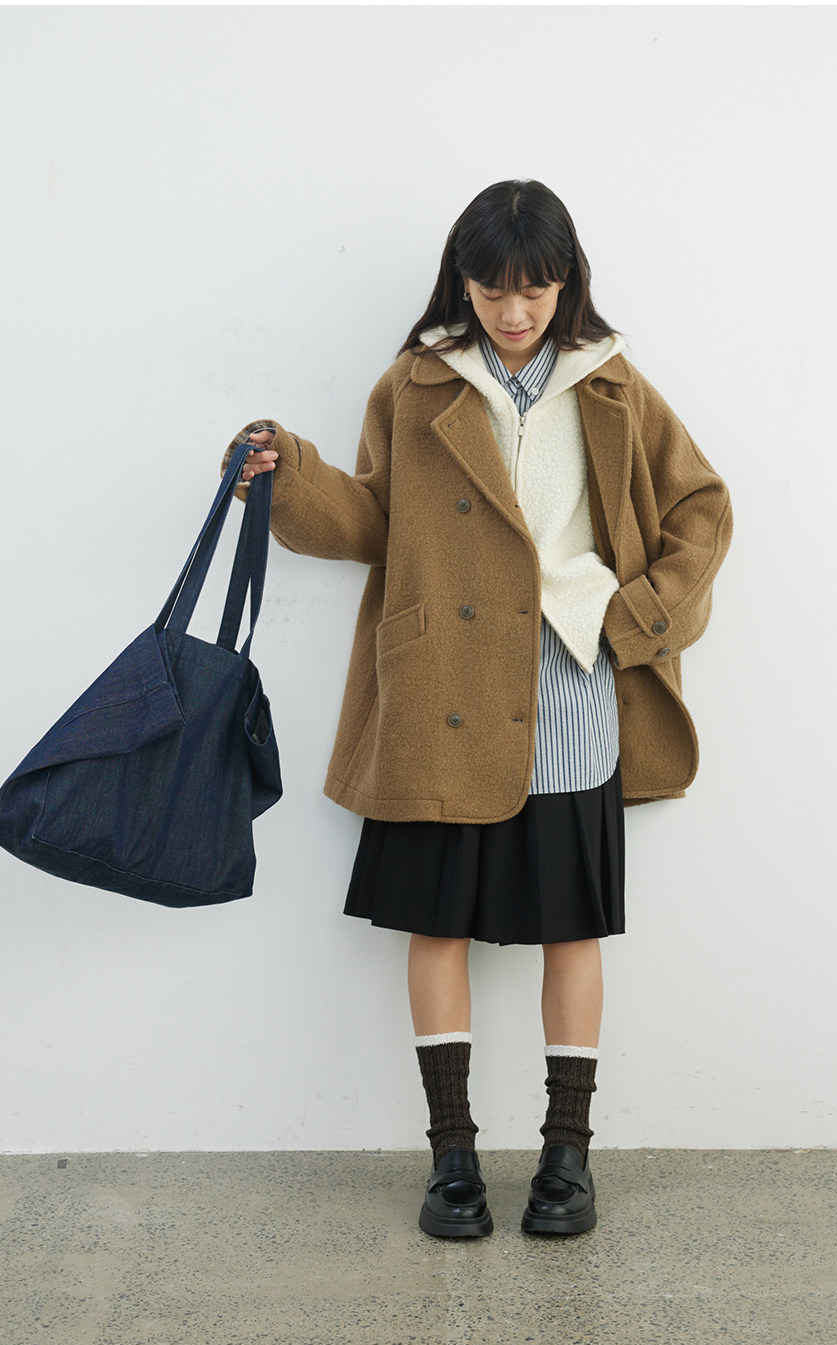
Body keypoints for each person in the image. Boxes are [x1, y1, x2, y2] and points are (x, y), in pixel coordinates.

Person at [224, 179, 732, 1238]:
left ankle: (567, 1157)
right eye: (494, 289)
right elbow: (373, 517)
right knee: (437, 923)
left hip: (569, 678)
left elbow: (700, 504)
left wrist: (639, 618)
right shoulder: (416, 383)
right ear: (462, 281)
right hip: (442, 686)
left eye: (533, 290)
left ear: (565, 282)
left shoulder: (611, 384)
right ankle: (450, 1159)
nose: (513, 312)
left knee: (573, 928)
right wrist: (287, 477)